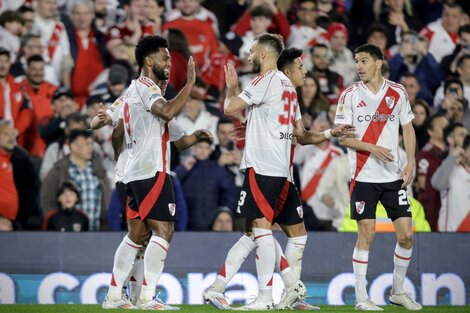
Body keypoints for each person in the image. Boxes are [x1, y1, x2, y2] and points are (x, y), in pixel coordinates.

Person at [205, 41, 353, 310]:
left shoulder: (269, 81)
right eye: (301, 67)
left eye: (251, 51)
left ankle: (275, 295)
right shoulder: (284, 88)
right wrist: (252, 127)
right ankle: (265, 293)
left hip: (268, 171)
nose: (305, 72)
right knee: (260, 233)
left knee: (280, 233)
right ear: (287, 68)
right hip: (275, 171)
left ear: (263, 55)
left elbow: (229, 108)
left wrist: (232, 87)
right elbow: (299, 134)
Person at [99, 35, 201, 310]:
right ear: (148, 60)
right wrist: (190, 83)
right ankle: (146, 297)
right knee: (164, 231)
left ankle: (112, 296)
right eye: (165, 57)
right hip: (149, 170)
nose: (169, 62)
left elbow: (177, 136)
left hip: (134, 172)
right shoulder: (145, 87)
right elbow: (166, 112)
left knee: (137, 235)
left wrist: (198, 136)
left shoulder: (137, 92)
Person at [334, 43, 421, 310]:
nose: (359, 66)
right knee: (367, 234)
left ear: (379, 62)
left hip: (392, 176)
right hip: (363, 176)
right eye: (356, 61)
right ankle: (362, 298)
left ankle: (397, 291)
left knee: (406, 234)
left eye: (363, 61)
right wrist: (371, 147)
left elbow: (408, 128)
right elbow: (344, 139)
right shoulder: (348, 95)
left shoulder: (397, 92)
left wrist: (411, 161)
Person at [40, 129, 111, 231]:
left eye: (91, 143)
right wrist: (57, 223)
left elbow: (106, 199)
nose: (91, 147)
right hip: (67, 233)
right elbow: (46, 200)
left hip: (97, 232)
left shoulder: (99, 171)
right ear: (73, 146)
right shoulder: (58, 171)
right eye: (86, 144)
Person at [431, 126, 469, 232]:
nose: (465, 137)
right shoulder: (450, 169)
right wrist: (452, 157)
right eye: (461, 135)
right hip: (451, 233)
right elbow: (437, 183)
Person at [416, 114, 448, 231]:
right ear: (430, 131)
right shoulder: (426, 154)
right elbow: (422, 183)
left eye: (447, 126)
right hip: (431, 206)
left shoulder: (449, 153)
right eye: (442, 127)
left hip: (445, 204)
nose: (446, 129)